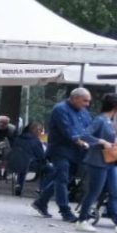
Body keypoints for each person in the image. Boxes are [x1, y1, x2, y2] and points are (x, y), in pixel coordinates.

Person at [35, 87, 99, 222]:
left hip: (76, 152)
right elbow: (67, 130)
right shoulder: (60, 109)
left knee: (64, 178)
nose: (87, 104)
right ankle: (65, 211)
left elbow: (90, 129)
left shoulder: (84, 111)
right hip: (60, 149)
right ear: (75, 98)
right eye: (85, 101)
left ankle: (41, 202)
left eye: (88, 101)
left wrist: (99, 141)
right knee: (62, 179)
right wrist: (80, 141)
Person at [74, 93, 117, 231]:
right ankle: (82, 220)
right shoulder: (100, 120)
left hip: (109, 161)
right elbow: (84, 135)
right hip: (98, 161)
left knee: (114, 190)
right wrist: (102, 141)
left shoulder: (109, 121)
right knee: (94, 192)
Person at [8, 122, 48, 198]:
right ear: (34, 130)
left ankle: (19, 185)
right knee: (49, 169)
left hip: (14, 163)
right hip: (30, 164)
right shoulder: (35, 141)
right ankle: (41, 188)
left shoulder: (18, 138)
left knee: (22, 163)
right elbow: (41, 156)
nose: (41, 132)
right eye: (40, 130)